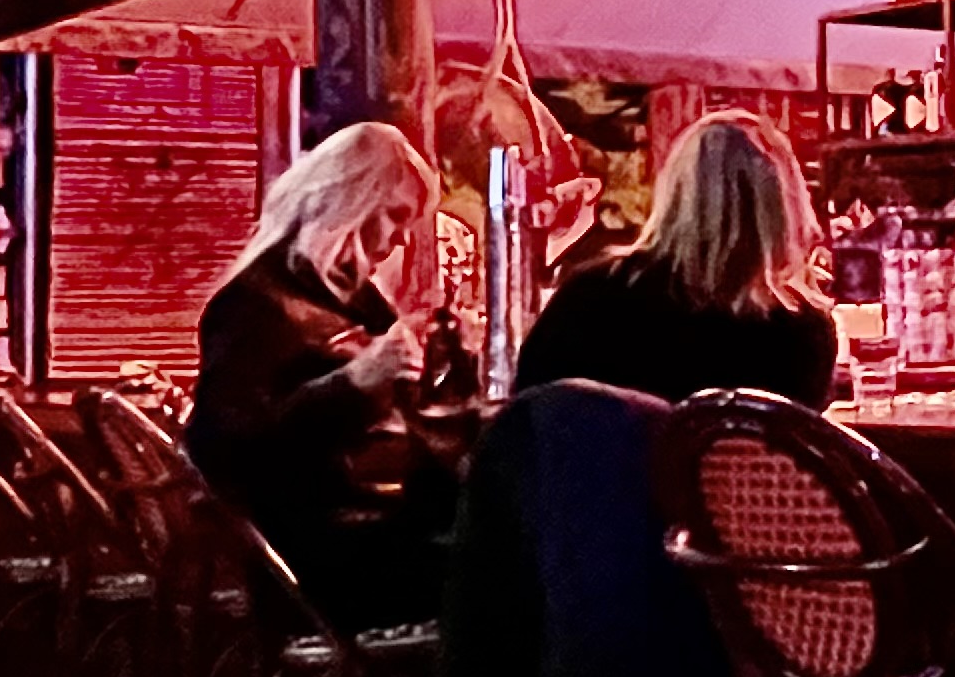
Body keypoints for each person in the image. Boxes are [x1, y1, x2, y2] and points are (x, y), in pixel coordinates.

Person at [187, 120, 459, 628]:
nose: (401, 240)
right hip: (316, 555)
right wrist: (354, 384)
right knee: (495, 574)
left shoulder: (347, 295)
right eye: (396, 216)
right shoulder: (257, 303)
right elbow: (224, 450)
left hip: (370, 522)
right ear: (351, 199)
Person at [511, 110, 839, 407]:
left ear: (673, 191)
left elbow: (526, 414)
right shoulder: (803, 334)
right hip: (731, 475)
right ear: (783, 205)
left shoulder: (589, 298)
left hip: (607, 474)